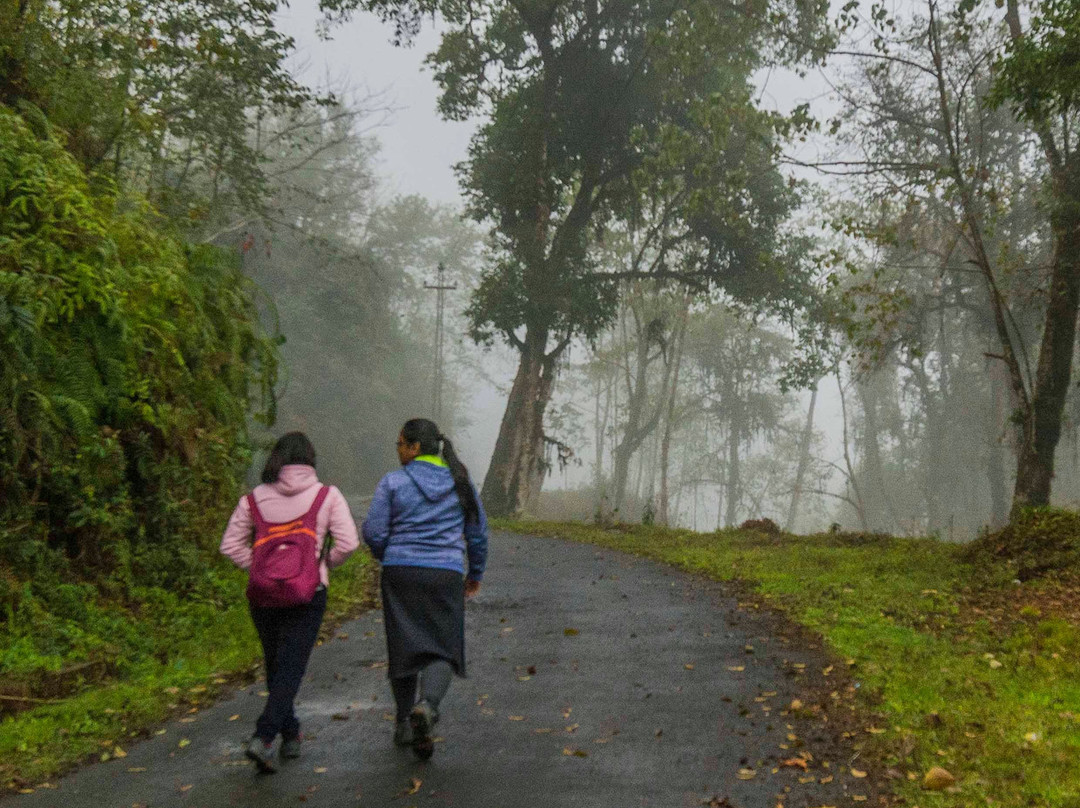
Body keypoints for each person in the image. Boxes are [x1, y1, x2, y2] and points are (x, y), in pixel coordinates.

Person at [220, 432, 359, 772]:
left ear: (276, 460)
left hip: (264, 597)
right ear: (310, 460)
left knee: (276, 664)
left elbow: (230, 545)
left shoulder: (254, 499)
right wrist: (322, 565)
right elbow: (349, 543)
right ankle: (265, 736)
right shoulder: (327, 495)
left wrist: (260, 569)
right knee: (292, 666)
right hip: (308, 594)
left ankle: (291, 732)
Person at [362, 418, 488, 760]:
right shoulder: (460, 483)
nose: (399, 451)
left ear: (415, 447)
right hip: (444, 574)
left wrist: (389, 554)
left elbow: (373, 532)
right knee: (443, 649)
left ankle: (404, 721)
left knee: (403, 646)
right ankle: (427, 707)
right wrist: (474, 572)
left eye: (401, 444)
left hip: (399, 572)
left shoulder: (393, 482)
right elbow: (477, 533)